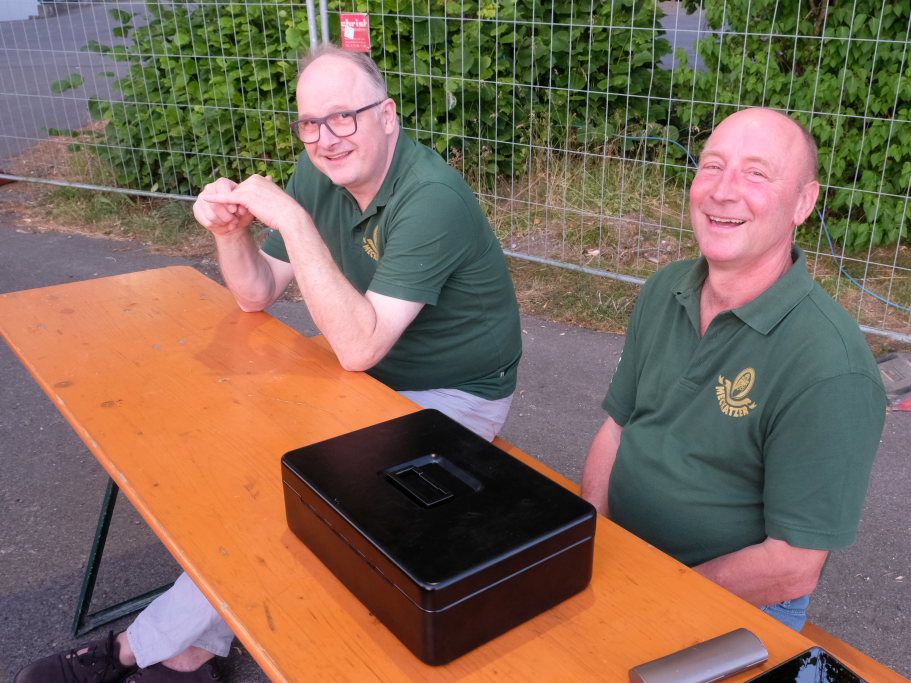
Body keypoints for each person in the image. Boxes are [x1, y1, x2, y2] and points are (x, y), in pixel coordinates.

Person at [15, 44, 521, 683]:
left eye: (344, 116)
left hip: (455, 394)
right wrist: (232, 233)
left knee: (298, 500)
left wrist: (292, 219)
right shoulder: (322, 169)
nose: (326, 139)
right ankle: (192, 649)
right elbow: (257, 293)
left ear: (388, 115)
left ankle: (132, 650)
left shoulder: (431, 197)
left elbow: (359, 346)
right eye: (310, 123)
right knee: (246, 461)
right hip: (368, 373)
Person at [580, 107, 887, 632]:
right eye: (712, 166)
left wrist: (646, 593)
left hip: (734, 605)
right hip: (624, 561)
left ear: (803, 203)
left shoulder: (831, 365)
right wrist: (592, 542)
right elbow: (616, 429)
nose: (723, 191)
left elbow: (791, 567)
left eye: (756, 173)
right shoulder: (665, 288)